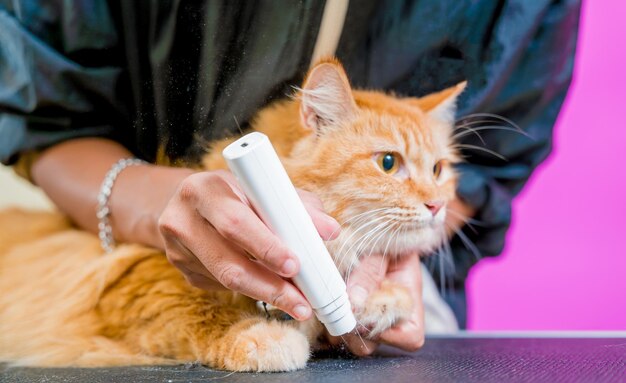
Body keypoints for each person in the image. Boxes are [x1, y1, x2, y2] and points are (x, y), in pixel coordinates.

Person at [0, 1, 581, 353]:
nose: (430, 191)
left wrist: (381, 253)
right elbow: (47, 117)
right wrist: (157, 205)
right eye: (393, 165)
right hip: (128, 242)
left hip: (408, 285)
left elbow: (489, 172)